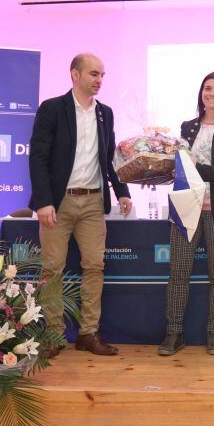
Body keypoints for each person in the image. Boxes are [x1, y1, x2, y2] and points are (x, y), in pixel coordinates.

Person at [28, 53, 133, 358]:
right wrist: (44, 201)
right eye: (93, 74)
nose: (99, 80)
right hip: (58, 203)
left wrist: (122, 191)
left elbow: (109, 157)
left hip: (92, 202)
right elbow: (38, 158)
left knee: (94, 267)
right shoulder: (52, 109)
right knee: (52, 269)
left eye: (102, 75)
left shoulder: (105, 113)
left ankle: (88, 333)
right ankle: (53, 335)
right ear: (75, 74)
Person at [158, 72, 214, 357]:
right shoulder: (186, 127)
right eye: (207, 88)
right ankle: (174, 334)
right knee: (178, 273)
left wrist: (198, 169)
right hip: (187, 208)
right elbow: (179, 167)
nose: (211, 93)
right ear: (201, 93)